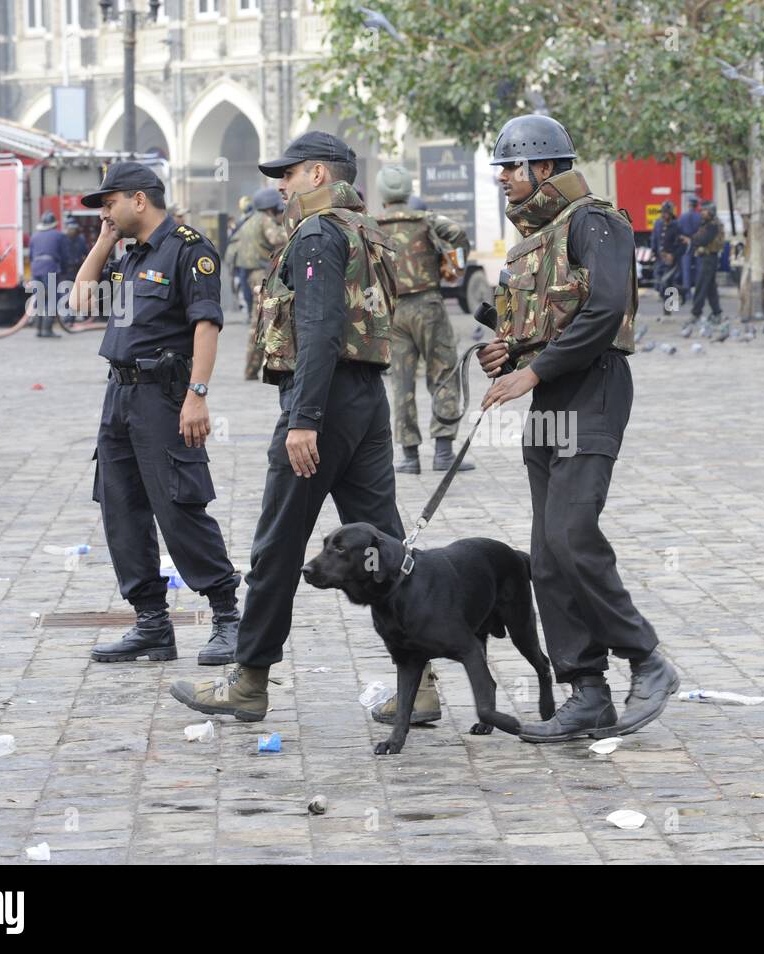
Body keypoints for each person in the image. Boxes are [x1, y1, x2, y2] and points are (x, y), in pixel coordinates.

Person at [169, 131, 412, 725]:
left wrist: (304, 419)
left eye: (292, 173)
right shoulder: (367, 230)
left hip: (321, 404)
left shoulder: (318, 232)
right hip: (366, 402)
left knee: (277, 544)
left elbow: (322, 328)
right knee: (386, 547)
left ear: (321, 176)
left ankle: (249, 681)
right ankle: (420, 682)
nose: (281, 184)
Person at [477, 114, 678, 742]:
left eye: (512, 166)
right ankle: (585, 690)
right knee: (545, 555)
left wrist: (531, 376)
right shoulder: (533, 242)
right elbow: (538, 328)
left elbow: (602, 313)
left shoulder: (596, 222)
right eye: (502, 168)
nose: (504, 178)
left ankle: (646, 659)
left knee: (571, 534)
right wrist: (506, 354)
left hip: (593, 391)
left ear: (545, 166)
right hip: (549, 400)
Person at [68, 162, 242, 665]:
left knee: (178, 507)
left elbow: (206, 326)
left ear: (139, 199)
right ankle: (151, 624)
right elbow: (80, 299)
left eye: (110, 202)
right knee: (120, 508)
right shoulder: (129, 254)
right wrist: (104, 239)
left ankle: (228, 617)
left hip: (165, 398)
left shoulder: (189, 249)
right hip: (119, 396)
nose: (105, 210)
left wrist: (198, 393)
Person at [374, 163, 473, 475]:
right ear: (407, 190)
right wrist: (452, 264)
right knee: (443, 374)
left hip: (391, 310)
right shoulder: (427, 219)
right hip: (428, 305)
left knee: (401, 382)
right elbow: (457, 234)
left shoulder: (371, 225)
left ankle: (409, 456)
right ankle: (443, 452)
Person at [238, 187, 288, 380]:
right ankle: (253, 368)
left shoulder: (249, 220)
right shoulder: (265, 220)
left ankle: (251, 368)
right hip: (262, 274)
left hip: (251, 273)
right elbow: (276, 238)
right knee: (260, 321)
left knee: (258, 320)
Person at [28, 211, 69, 339]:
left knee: (40, 299)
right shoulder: (59, 235)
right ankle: (47, 329)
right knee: (51, 299)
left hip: (36, 269)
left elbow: (30, 256)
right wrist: (64, 270)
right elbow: (64, 255)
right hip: (50, 268)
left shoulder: (34, 236)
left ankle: (39, 329)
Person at [689, 201, 726, 325]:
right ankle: (717, 312)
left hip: (709, 258)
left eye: (704, 211)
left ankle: (696, 313)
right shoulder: (708, 224)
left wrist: (694, 240)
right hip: (708, 258)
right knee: (711, 288)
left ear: (711, 211)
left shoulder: (712, 225)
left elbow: (702, 240)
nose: (702, 213)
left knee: (701, 286)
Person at [651, 201, 684, 303]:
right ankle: (677, 293)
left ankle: (669, 307)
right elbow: (654, 238)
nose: (663, 214)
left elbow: (681, 244)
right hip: (660, 257)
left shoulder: (677, 225)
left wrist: (673, 255)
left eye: (666, 212)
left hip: (671, 258)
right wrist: (653, 250)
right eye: (662, 212)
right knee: (659, 278)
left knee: (668, 280)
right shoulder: (658, 223)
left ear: (670, 213)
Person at [677, 195, 701, 301]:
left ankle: (687, 294)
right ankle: (698, 293)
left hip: (686, 246)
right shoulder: (700, 217)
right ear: (696, 205)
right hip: (697, 246)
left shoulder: (682, 217)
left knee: (686, 270)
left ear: (688, 205)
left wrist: (685, 238)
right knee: (699, 270)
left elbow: (678, 232)